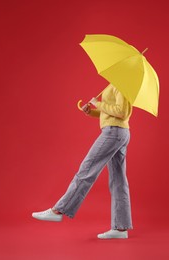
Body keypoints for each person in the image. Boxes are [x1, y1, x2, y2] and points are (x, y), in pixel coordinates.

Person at [32, 83, 133, 239]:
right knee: (118, 181)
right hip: (118, 131)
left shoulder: (121, 84)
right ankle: (121, 228)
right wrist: (91, 112)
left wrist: (97, 103)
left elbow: (122, 112)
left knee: (87, 170)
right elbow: (109, 113)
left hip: (113, 132)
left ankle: (58, 210)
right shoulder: (115, 83)